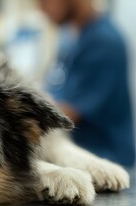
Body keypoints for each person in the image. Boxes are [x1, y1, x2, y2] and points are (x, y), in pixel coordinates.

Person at [39, 0, 135, 166]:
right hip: (72, 153)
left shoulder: (104, 42)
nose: (41, 8)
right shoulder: (70, 36)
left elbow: (66, 115)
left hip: (103, 159)